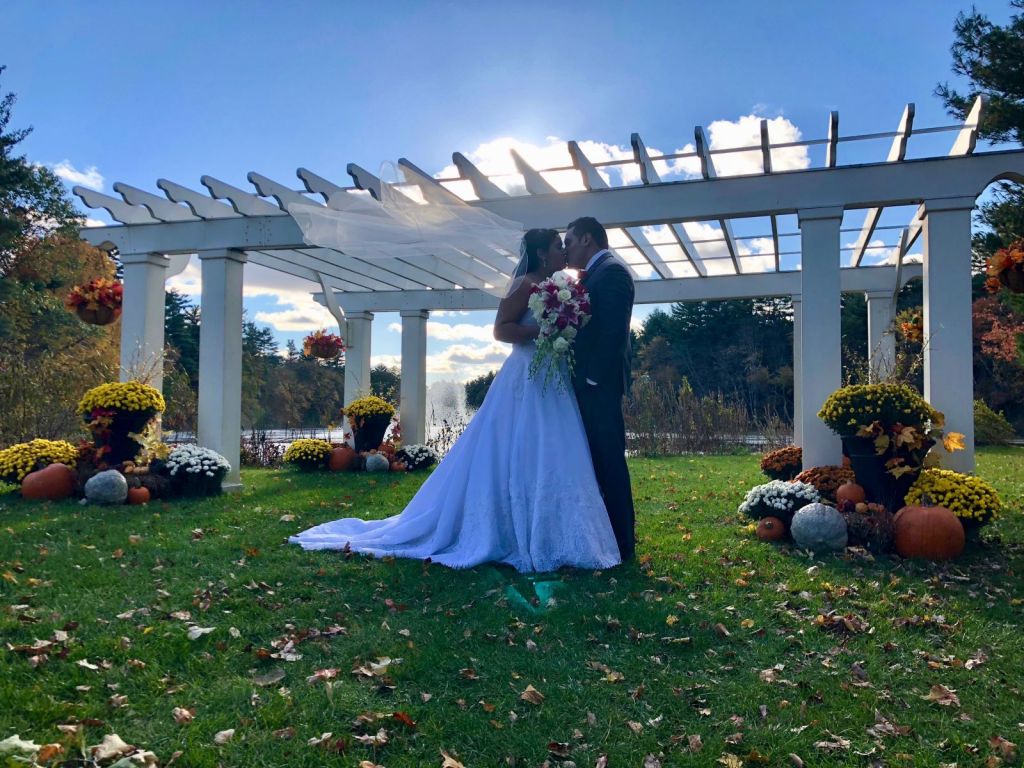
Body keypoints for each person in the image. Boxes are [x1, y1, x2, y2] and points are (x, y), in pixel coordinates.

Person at [289, 228, 621, 573]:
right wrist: (543, 330)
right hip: (525, 376)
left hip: (553, 377)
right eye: (557, 246)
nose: (563, 252)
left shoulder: (561, 287)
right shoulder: (524, 285)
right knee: (516, 446)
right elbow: (501, 329)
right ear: (541, 254)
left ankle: (558, 530)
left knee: (555, 449)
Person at [564, 217, 637, 560]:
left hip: (600, 387)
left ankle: (622, 544)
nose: (566, 248)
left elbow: (614, 333)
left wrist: (591, 379)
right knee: (596, 461)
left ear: (587, 239)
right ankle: (604, 536)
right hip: (593, 386)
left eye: (570, 241)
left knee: (609, 462)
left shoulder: (612, 272)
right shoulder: (598, 272)